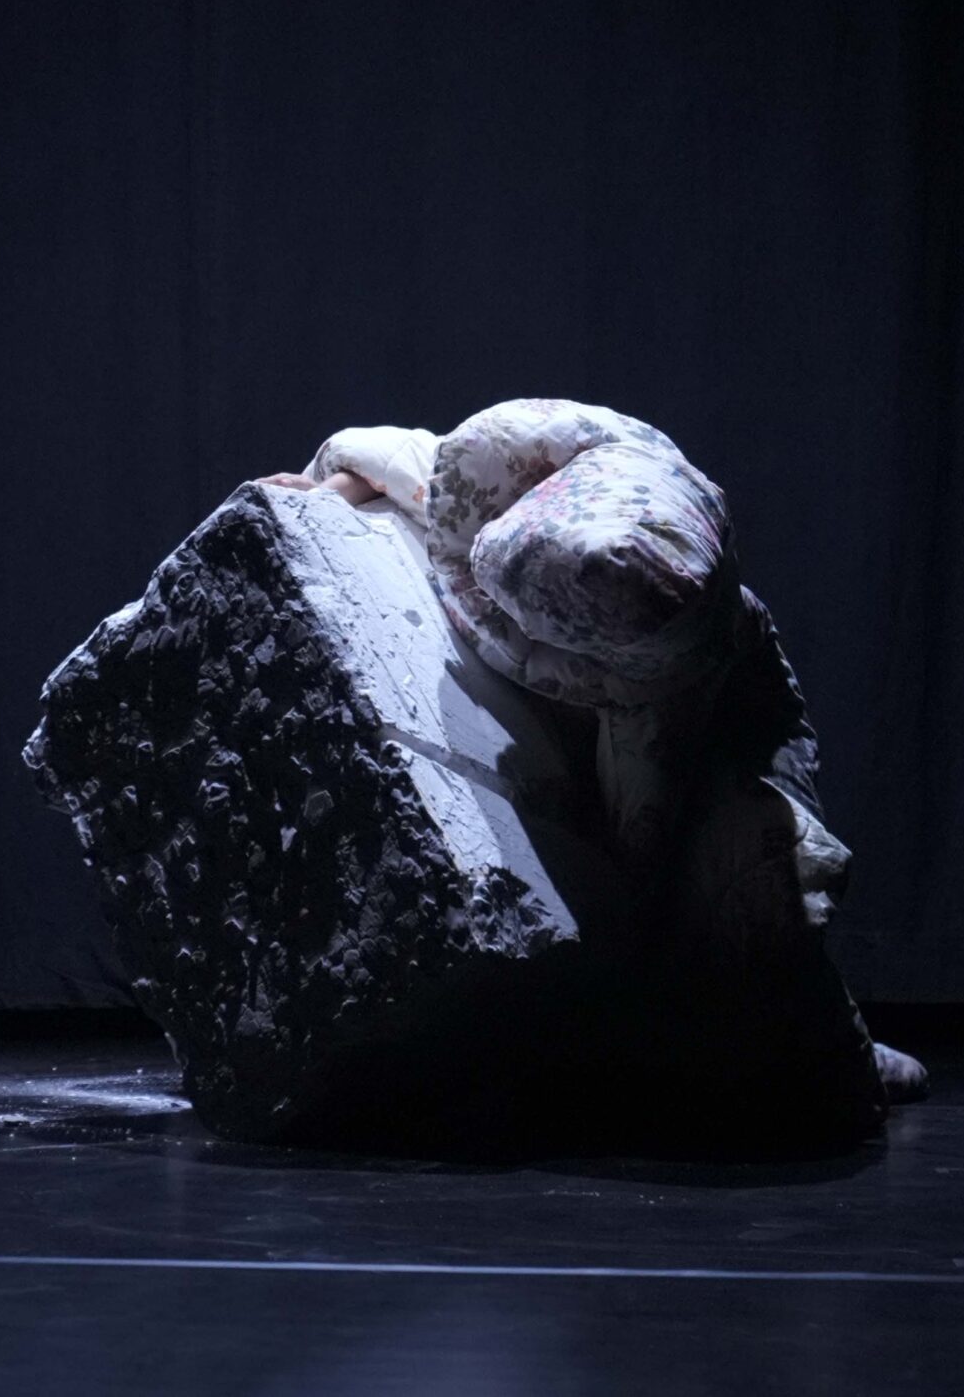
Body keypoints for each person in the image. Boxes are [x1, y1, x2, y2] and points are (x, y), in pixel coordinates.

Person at [266, 398, 928, 1106]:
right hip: (612, 667)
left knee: (756, 890)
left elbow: (644, 818)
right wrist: (329, 494)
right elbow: (397, 460)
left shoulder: (670, 672)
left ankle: (842, 1056)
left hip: (727, 730)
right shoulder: (516, 459)